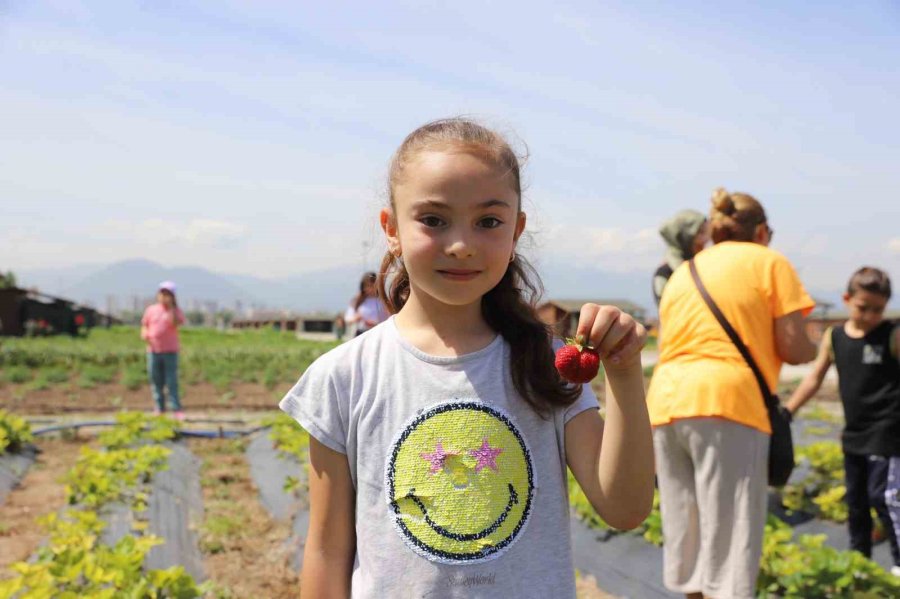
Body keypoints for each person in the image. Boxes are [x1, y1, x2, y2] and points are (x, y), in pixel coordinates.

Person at [279, 118, 654, 597]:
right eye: (434, 220)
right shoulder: (343, 377)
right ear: (391, 228)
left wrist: (623, 375)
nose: (461, 245)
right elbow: (328, 551)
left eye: (489, 222)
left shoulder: (544, 362)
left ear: (516, 230)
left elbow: (625, 508)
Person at [647, 188, 817, 599]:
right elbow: (795, 348)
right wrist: (818, 344)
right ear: (761, 230)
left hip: (666, 404)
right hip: (728, 404)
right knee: (731, 533)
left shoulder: (685, 270)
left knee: (685, 527)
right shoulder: (769, 262)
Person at [787, 267, 900, 576]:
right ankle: (859, 562)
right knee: (857, 501)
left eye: (878, 309)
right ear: (847, 300)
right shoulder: (834, 337)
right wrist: (789, 411)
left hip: (888, 433)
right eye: (864, 307)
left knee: (885, 498)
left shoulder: (892, 335)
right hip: (854, 434)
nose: (871, 315)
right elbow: (814, 378)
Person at [141, 281, 186, 420]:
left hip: (170, 351)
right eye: (162, 293)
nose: (164, 296)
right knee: (156, 380)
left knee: (171, 381)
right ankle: (159, 408)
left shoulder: (176, 312)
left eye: (168, 294)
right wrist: (145, 334)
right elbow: (144, 325)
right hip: (153, 350)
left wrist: (171, 308)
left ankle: (176, 409)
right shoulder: (151, 310)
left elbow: (175, 323)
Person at [652, 209, 709, 306]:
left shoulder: (705, 266)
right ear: (684, 238)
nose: (706, 239)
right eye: (700, 233)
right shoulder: (665, 274)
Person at [344, 271, 389, 336]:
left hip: (378, 333)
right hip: (361, 332)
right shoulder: (357, 300)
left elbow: (389, 319)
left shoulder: (383, 301)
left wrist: (375, 323)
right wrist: (357, 318)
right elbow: (348, 319)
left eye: (371, 285)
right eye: (366, 286)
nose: (369, 289)